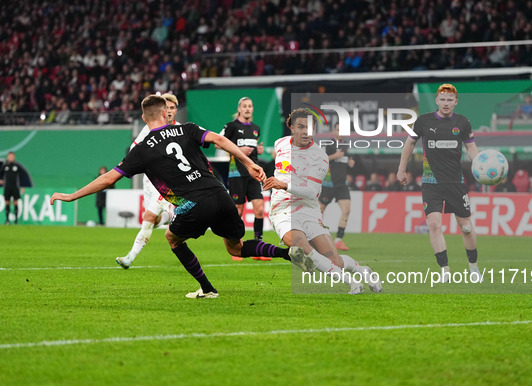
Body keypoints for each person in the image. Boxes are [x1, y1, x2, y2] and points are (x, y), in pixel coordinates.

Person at [51, 95, 309, 299]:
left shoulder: (140, 150)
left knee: (172, 238)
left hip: (194, 203)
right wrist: (248, 162)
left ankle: (207, 289)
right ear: (165, 113)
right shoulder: (187, 129)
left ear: (144, 117)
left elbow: (108, 179)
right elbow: (218, 139)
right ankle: (287, 254)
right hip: (220, 193)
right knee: (236, 247)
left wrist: (73, 196)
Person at [263, 108, 382, 295]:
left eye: (309, 128)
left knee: (334, 260)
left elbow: (311, 192)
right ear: (292, 127)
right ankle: (352, 283)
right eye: (300, 127)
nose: (305, 132)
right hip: (282, 209)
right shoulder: (280, 144)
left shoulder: (319, 156)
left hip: (308, 209)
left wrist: (284, 185)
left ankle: (363, 271)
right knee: (302, 247)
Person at [397, 83, 481, 283]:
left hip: (455, 182)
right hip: (431, 182)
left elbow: (471, 149)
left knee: (466, 227)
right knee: (434, 225)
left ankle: (473, 266)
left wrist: (479, 164)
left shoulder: (463, 122)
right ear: (436, 101)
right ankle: (445, 270)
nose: (446, 103)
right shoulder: (423, 121)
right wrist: (401, 168)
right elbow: (409, 143)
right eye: (442, 99)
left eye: (450, 100)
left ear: (455, 102)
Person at [116, 93, 179, 268]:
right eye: (166, 108)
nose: (168, 111)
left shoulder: (181, 129)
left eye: (172, 108)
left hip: (167, 182)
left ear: (176, 111)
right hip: (149, 181)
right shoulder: (149, 128)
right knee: (156, 220)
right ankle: (171, 216)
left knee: (149, 216)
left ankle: (130, 257)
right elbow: (133, 149)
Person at [219, 97, 268, 261]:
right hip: (236, 173)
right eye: (244, 106)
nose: (247, 109)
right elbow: (219, 143)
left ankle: (257, 247)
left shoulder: (256, 129)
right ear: (239, 109)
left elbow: (252, 151)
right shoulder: (231, 126)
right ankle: (236, 246)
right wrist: (238, 149)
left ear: (252, 109)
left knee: (259, 209)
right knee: (237, 211)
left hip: (253, 173)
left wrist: (257, 150)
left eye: (250, 106)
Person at [319, 123, 354, 251]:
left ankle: (339, 240)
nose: (340, 132)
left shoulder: (346, 145)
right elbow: (320, 160)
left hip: (341, 184)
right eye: (338, 129)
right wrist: (335, 156)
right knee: (320, 210)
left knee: (347, 210)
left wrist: (351, 162)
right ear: (334, 130)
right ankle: (314, 237)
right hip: (329, 183)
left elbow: (347, 160)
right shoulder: (328, 144)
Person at [0, 152, 27, 225]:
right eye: (10, 156)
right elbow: (0, 174)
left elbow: (22, 177)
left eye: (12, 156)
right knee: (7, 203)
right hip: (7, 187)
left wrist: (22, 186)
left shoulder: (17, 166)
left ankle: (15, 221)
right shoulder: (5, 166)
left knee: (15, 203)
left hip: (15, 187)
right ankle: (7, 220)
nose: (11, 157)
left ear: (14, 157)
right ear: (8, 157)